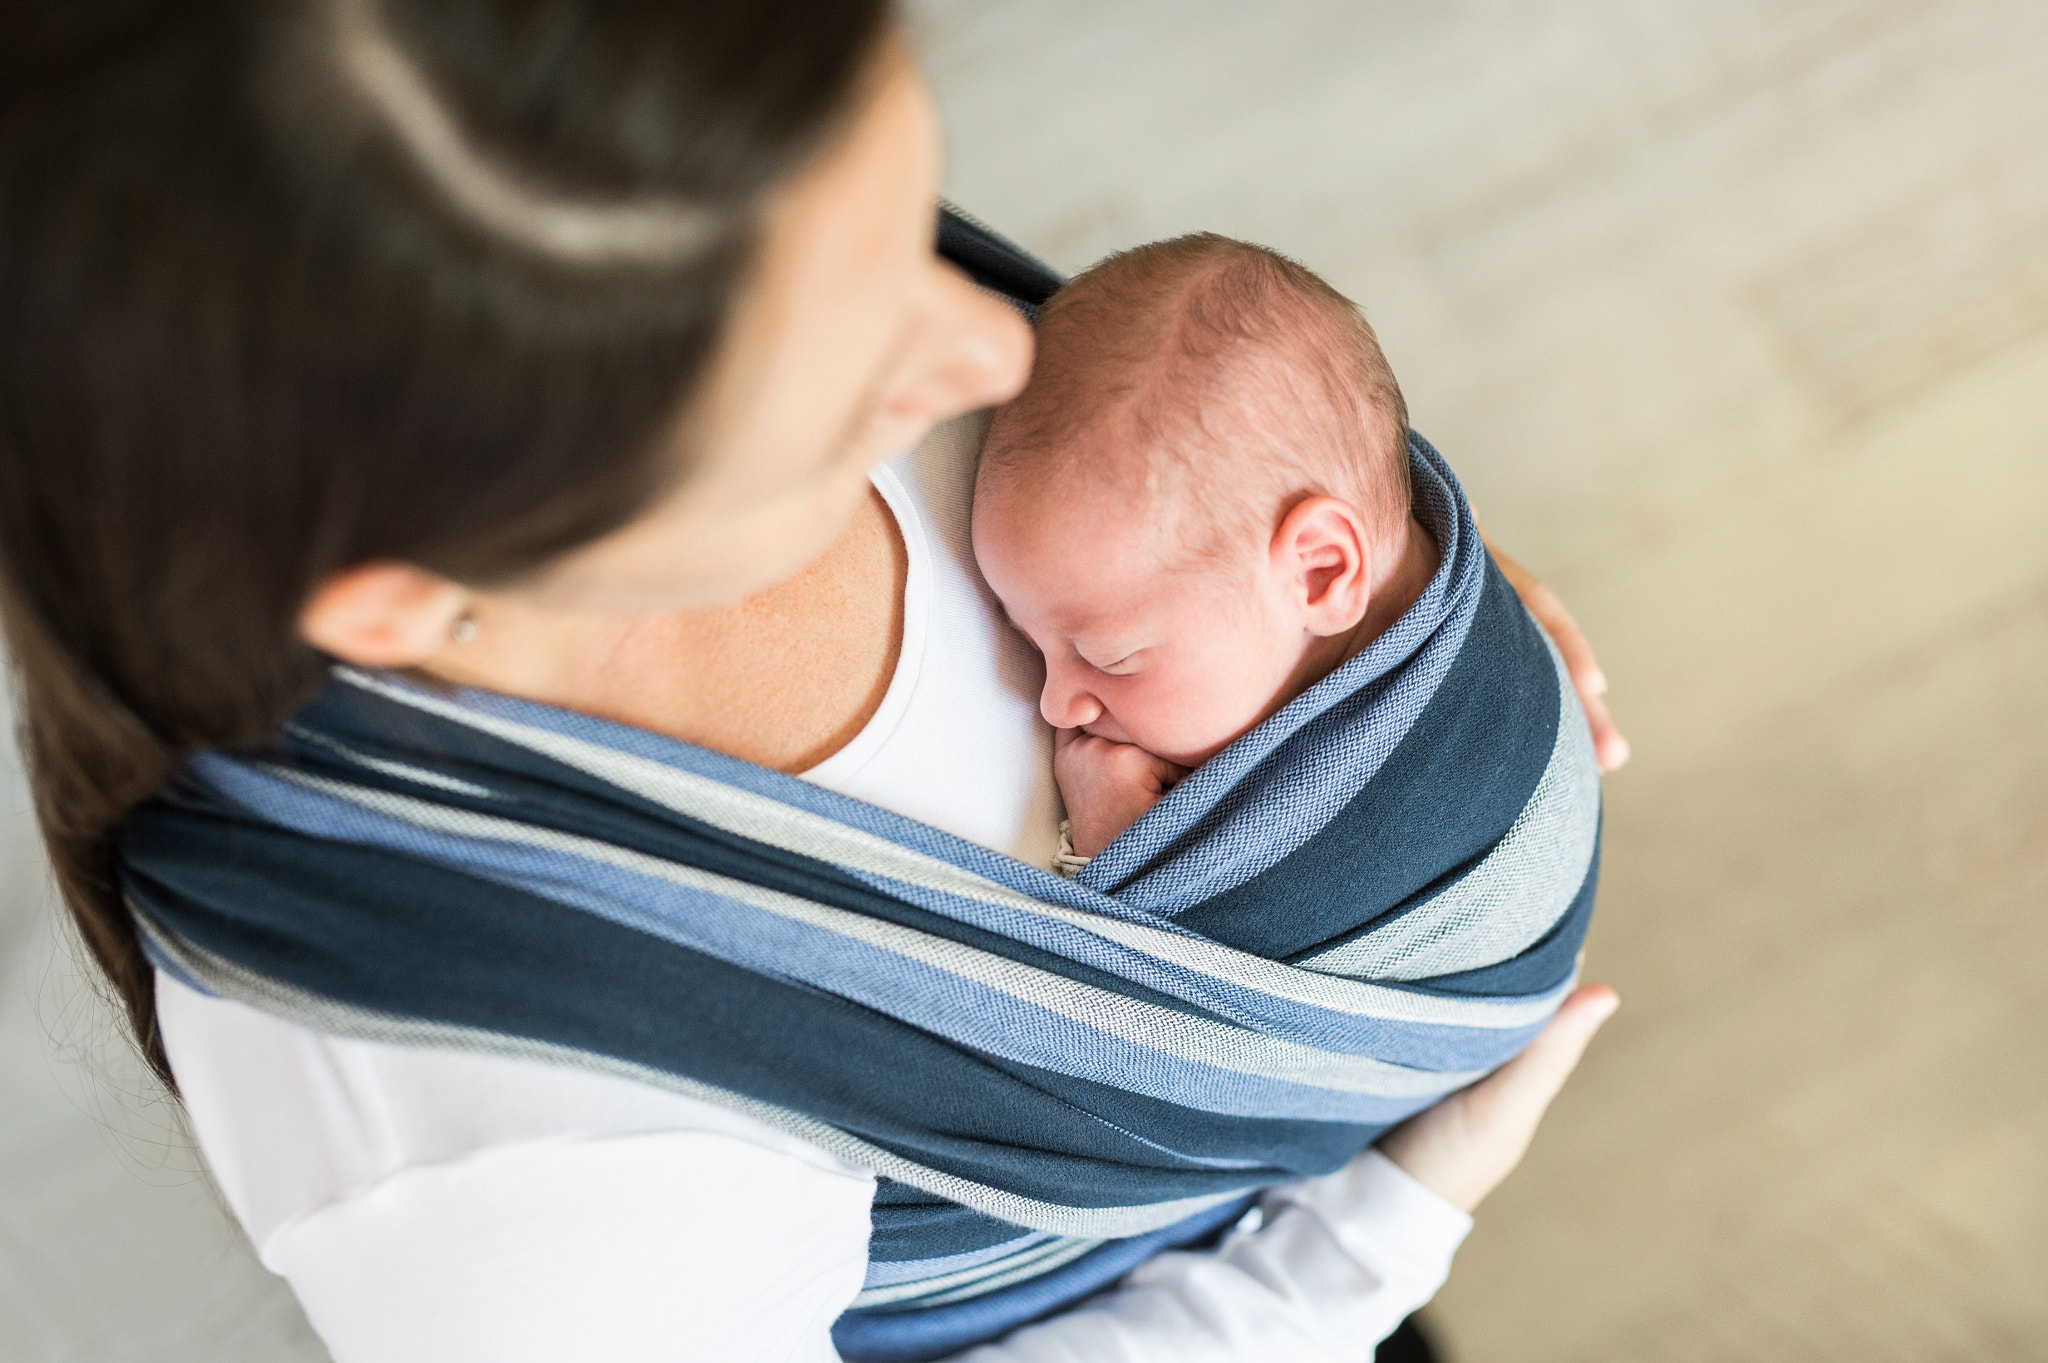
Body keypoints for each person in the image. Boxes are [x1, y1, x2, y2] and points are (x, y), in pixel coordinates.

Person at [0, 3, 1624, 1361]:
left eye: (903, 217)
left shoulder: (588, 233)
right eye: (845, 371)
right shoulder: (511, 1170)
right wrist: (1373, 1237)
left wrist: (1398, 650)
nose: (992, 354)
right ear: (429, 584)